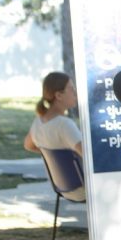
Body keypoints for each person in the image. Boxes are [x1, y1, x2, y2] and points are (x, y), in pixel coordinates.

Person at [24, 71, 85, 200]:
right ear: (58, 95)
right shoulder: (64, 125)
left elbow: (28, 145)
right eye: (71, 89)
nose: (75, 93)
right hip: (82, 189)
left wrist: (51, 155)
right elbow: (88, 157)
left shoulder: (38, 122)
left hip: (63, 188)